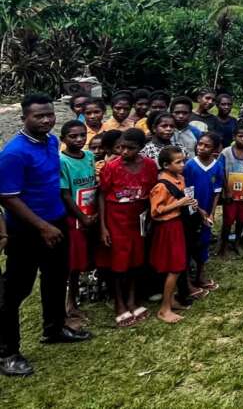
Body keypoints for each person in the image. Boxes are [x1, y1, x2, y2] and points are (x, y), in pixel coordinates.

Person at [0, 93, 92, 377]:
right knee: (15, 290)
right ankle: (7, 352)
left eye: (49, 114)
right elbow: (7, 197)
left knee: (55, 279)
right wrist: (42, 226)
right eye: (39, 116)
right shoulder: (14, 153)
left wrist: (57, 222)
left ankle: (54, 329)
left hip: (56, 223)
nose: (46, 120)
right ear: (24, 117)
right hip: (27, 231)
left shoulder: (52, 141)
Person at [98, 127, 157, 327]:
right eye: (121, 147)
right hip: (116, 219)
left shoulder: (149, 165)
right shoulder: (112, 167)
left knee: (136, 260)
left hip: (138, 218)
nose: (124, 152)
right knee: (118, 262)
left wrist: (150, 217)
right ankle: (119, 303)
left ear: (140, 148)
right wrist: (103, 227)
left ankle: (133, 298)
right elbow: (102, 195)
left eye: (130, 148)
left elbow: (152, 192)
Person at [149, 146, 198, 324]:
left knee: (178, 264)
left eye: (183, 161)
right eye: (178, 162)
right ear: (165, 165)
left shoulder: (180, 178)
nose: (182, 165)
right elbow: (156, 211)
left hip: (179, 224)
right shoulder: (161, 185)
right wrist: (179, 203)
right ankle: (164, 309)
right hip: (168, 227)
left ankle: (171, 300)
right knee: (175, 267)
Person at [59, 120, 98, 326]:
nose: (79, 139)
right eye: (73, 136)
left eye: (82, 135)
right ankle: (69, 305)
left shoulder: (90, 156)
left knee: (86, 258)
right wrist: (81, 217)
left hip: (91, 214)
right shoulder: (62, 161)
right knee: (73, 264)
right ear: (63, 139)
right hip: (74, 217)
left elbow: (92, 185)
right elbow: (65, 194)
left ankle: (76, 301)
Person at [183, 133, 224, 290]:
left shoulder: (217, 166)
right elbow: (186, 191)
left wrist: (211, 212)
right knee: (189, 243)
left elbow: (217, 192)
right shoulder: (189, 166)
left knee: (204, 242)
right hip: (191, 211)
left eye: (206, 146)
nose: (201, 148)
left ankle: (200, 275)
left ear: (214, 149)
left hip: (207, 212)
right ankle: (187, 280)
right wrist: (200, 211)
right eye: (200, 144)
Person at [218, 124, 243, 256]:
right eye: (240, 136)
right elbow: (221, 172)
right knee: (228, 220)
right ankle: (223, 246)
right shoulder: (226, 152)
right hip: (230, 193)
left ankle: (237, 242)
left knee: (241, 219)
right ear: (234, 137)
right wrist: (226, 191)